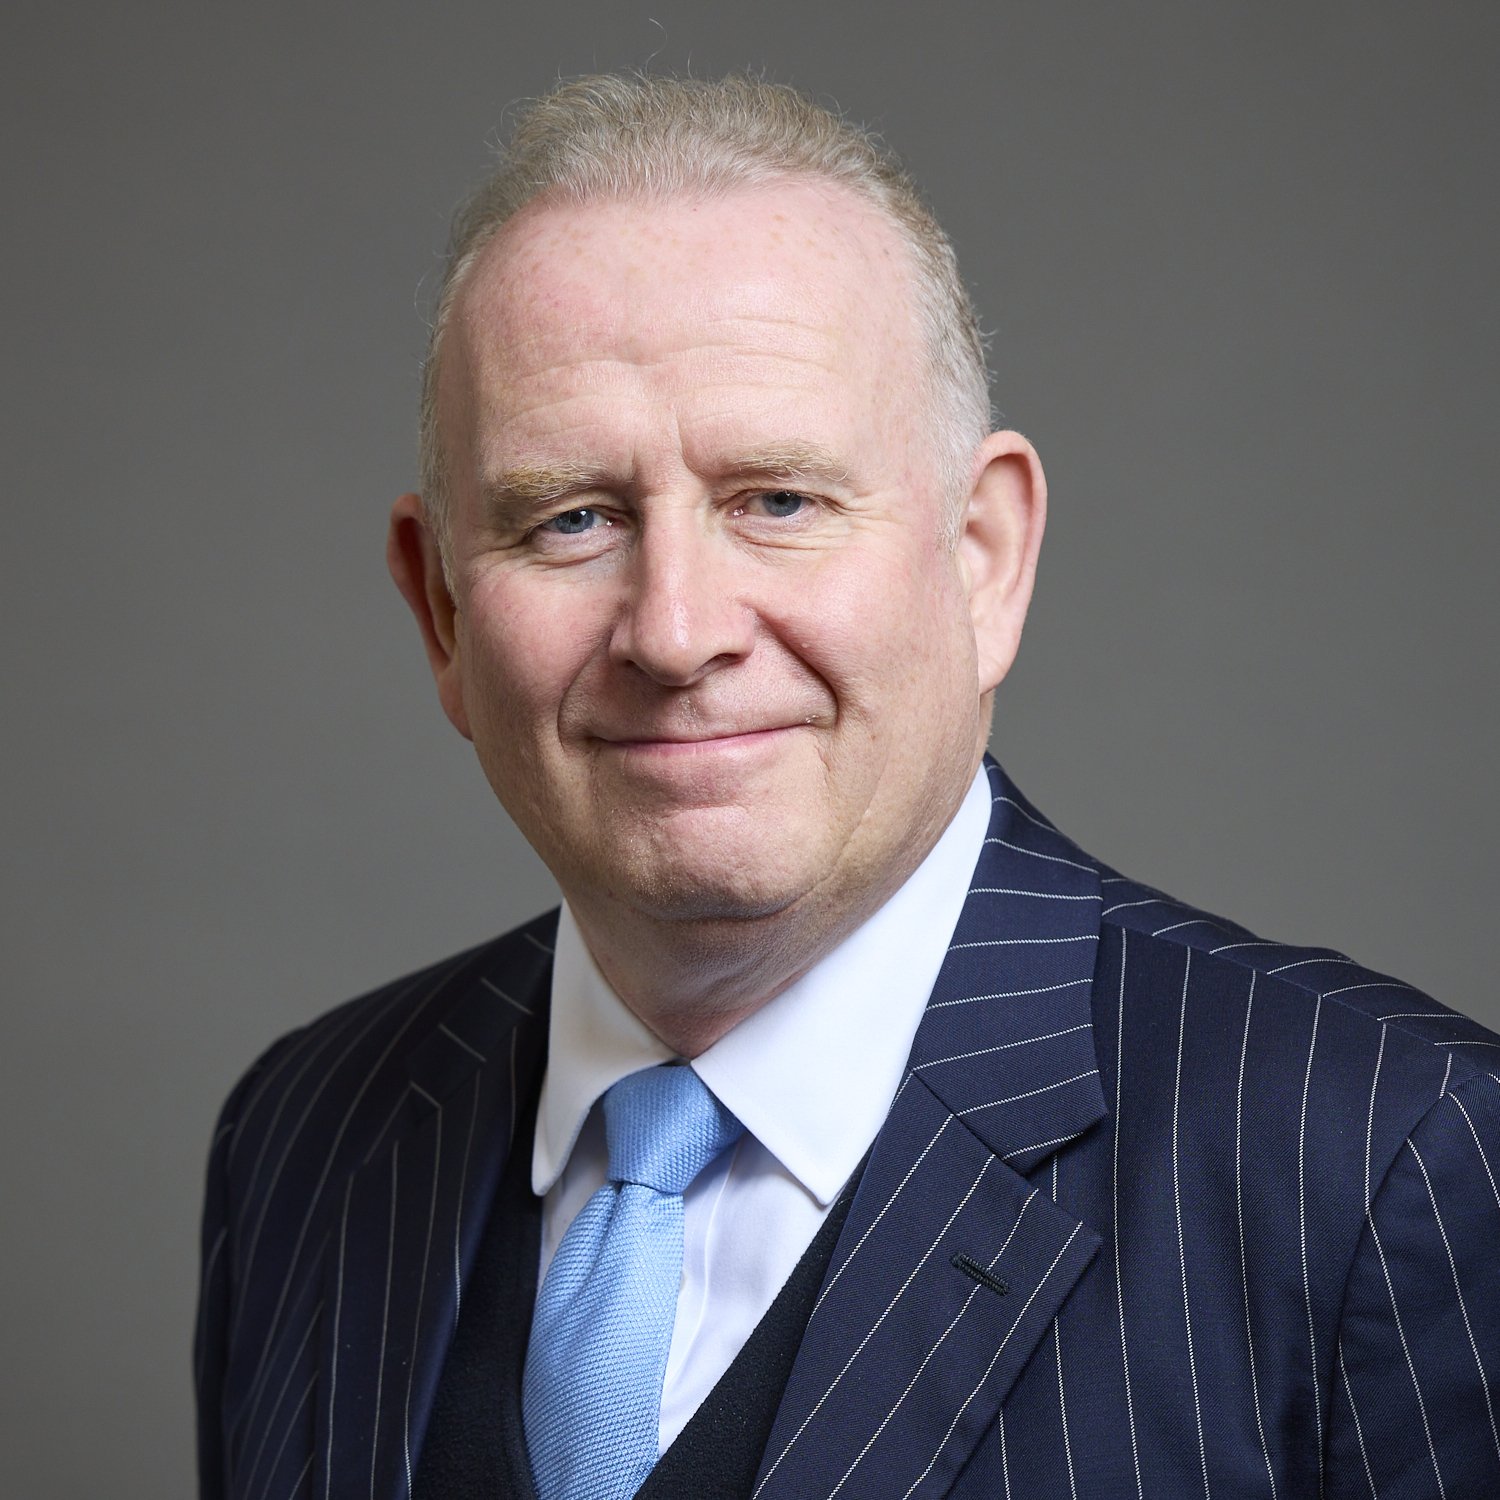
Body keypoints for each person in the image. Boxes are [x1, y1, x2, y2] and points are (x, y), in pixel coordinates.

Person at [195, 73, 1500, 1500]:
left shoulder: (1384, 1158)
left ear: (984, 558)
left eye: (779, 501)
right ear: (440, 612)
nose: (678, 630)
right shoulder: (308, 1135)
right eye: (573, 520)